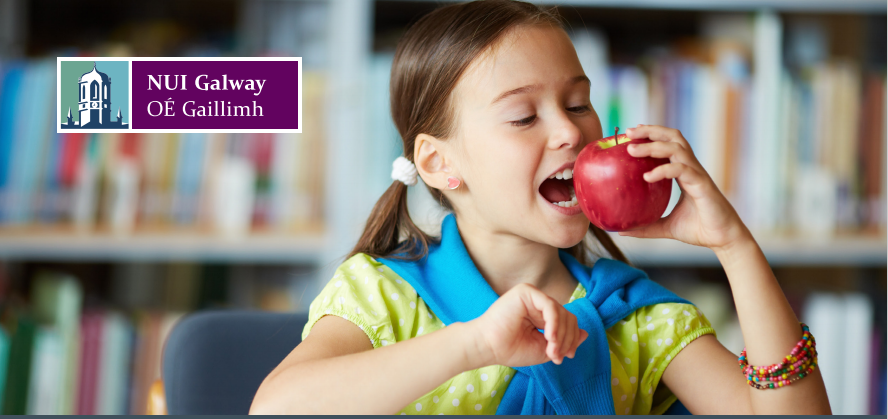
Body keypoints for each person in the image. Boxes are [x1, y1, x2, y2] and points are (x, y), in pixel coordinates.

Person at [249, 0, 830, 415]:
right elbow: (278, 408)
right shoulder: (380, 299)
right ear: (437, 164)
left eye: (578, 104)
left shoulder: (636, 317)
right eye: (524, 117)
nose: (570, 133)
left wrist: (735, 245)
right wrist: (473, 344)